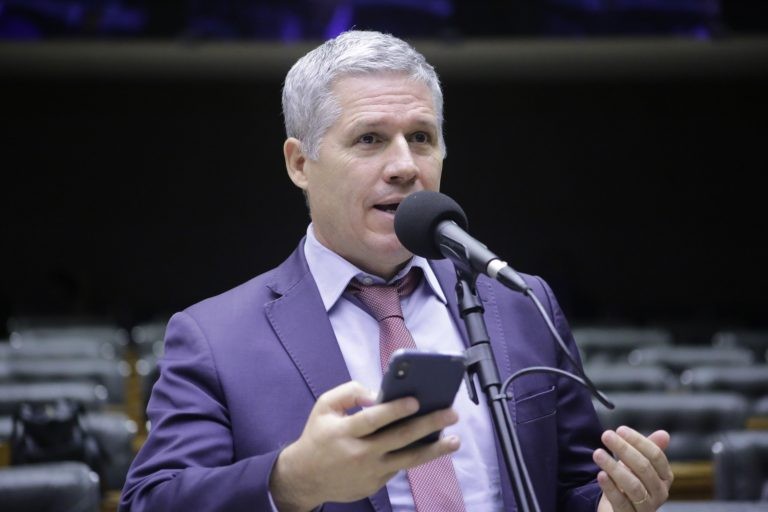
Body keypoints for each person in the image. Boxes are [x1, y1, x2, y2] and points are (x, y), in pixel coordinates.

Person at [119, 30, 673, 512]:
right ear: (299, 163)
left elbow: (571, 487)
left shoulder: (519, 302)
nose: (406, 166)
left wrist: (613, 503)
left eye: (422, 138)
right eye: (370, 139)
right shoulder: (214, 337)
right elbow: (151, 500)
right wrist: (291, 482)